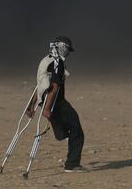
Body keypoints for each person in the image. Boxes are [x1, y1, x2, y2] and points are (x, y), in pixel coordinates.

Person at [26, 36, 86, 173]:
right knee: (77, 128)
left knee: (62, 134)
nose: (69, 53)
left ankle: (62, 134)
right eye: (68, 49)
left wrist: (32, 106)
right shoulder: (58, 63)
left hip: (47, 103)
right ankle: (72, 164)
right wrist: (47, 108)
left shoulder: (46, 59)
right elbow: (53, 86)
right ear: (62, 47)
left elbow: (40, 86)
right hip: (57, 103)